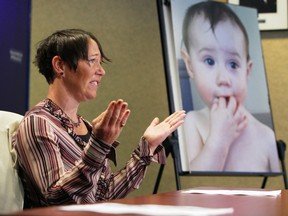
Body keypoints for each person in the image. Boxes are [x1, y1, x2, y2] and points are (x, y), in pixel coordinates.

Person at [12, 29, 186, 207]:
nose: (101, 71)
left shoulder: (86, 126)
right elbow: (56, 199)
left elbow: (103, 195)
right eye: (92, 61)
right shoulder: (38, 123)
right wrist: (99, 145)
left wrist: (147, 148)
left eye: (100, 63)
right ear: (59, 65)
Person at [180, 1, 280, 172]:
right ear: (190, 65)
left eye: (233, 64)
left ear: (247, 71)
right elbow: (193, 177)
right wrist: (219, 139)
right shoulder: (193, 122)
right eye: (209, 61)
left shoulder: (266, 136)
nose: (223, 79)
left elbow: (279, 189)